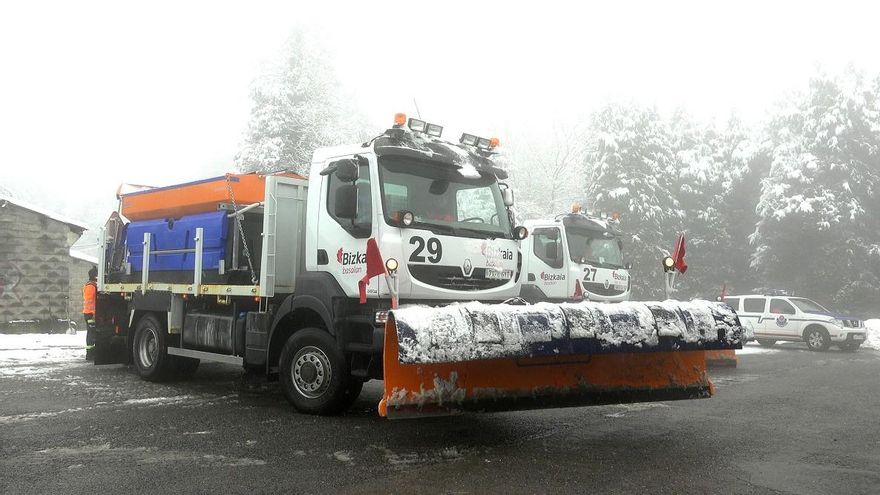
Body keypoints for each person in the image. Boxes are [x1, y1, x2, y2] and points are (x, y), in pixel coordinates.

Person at [82, 266, 98, 360]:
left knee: (91, 333)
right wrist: (94, 313)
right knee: (91, 333)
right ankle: (90, 354)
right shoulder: (91, 286)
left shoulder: (89, 285)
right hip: (90, 313)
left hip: (89, 313)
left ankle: (91, 353)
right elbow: (90, 300)